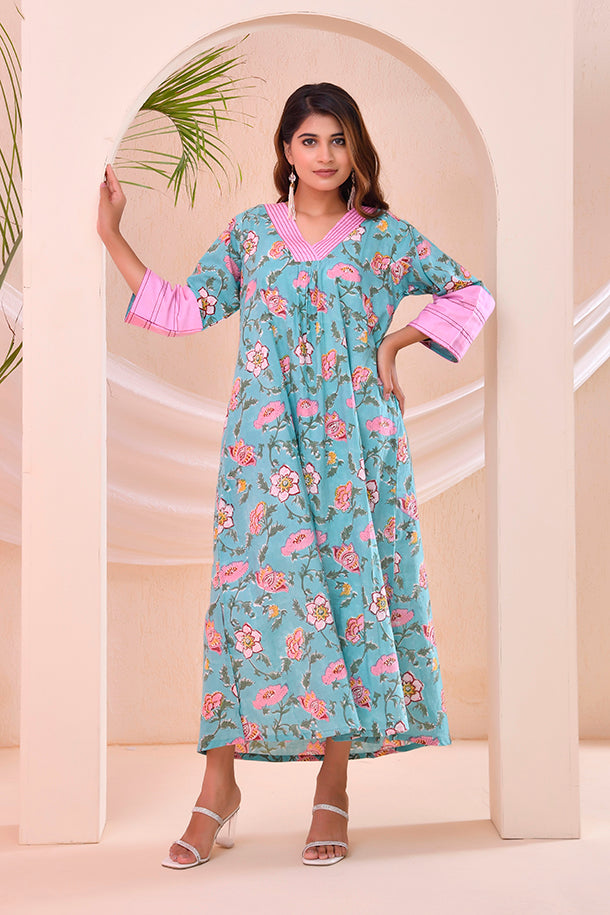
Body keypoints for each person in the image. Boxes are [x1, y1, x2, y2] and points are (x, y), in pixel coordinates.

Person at [97, 82, 495, 869]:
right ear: (285, 149)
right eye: (310, 140)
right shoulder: (250, 236)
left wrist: (396, 343)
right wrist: (112, 235)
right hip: (263, 458)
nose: (325, 155)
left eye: (339, 139)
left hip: (357, 454)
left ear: (357, 149)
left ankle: (332, 788)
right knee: (246, 605)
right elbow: (183, 309)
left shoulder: (383, 238)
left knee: (345, 604)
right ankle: (218, 789)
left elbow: (470, 294)